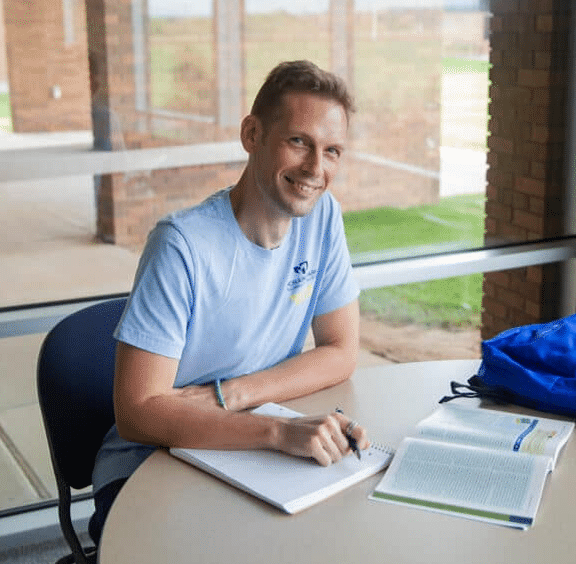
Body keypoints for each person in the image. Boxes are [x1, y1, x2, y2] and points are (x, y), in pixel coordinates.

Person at [88, 60, 370, 544]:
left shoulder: (323, 218)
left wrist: (235, 395)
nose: (315, 169)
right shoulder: (182, 245)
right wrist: (278, 433)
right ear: (252, 134)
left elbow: (342, 351)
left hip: (251, 441)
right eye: (299, 141)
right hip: (149, 463)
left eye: (332, 151)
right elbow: (136, 413)